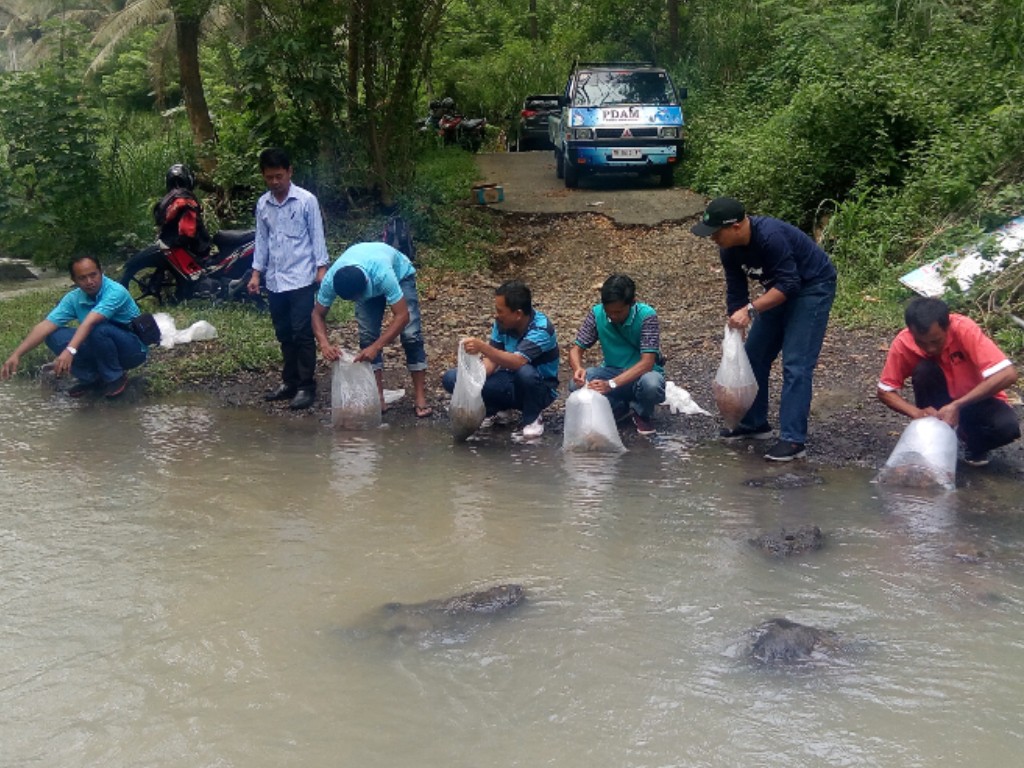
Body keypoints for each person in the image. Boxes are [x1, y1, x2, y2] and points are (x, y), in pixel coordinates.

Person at [691, 196, 837, 462]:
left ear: (736, 226)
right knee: (754, 355)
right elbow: (737, 291)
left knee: (796, 363)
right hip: (777, 290)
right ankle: (754, 424)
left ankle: (793, 440)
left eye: (715, 233)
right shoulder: (728, 250)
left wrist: (751, 310)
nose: (712, 238)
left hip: (812, 287)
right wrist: (736, 324)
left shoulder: (770, 237)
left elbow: (791, 284)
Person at [877, 296, 1020, 466]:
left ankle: (973, 444)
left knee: (1007, 427)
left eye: (936, 341)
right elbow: (885, 390)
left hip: (975, 399)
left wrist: (957, 405)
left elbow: (1008, 374)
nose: (929, 348)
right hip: (937, 406)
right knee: (924, 370)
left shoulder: (964, 329)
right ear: (911, 331)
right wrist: (916, 412)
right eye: (920, 342)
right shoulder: (903, 342)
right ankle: (933, 439)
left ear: (947, 327)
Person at [247, 147, 329, 410]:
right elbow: (262, 240)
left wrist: (321, 268)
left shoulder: (306, 201)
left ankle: (306, 385)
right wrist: (256, 273)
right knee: (283, 332)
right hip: (275, 279)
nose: (275, 182)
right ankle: (289, 381)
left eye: (279, 176)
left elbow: (317, 235)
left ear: (290, 172)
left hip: (302, 277)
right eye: (269, 177)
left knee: (302, 332)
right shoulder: (263, 203)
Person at [313, 241, 432, 417]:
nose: (356, 300)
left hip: (401, 275)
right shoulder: (331, 280)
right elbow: (317, 315)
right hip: (364, 271)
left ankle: (420, 398)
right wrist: (324, 344)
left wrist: (377, 347)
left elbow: (402, 316)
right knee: (367, 337)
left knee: (411, 335)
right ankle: (378, 399)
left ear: (366, 283)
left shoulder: (382, 274)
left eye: (358, 297)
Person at [1, 255, 147, 398]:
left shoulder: (116, 291)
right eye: (82, 278)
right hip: (101, 345)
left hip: (132, 350)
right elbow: (45, 326)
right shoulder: (73, 298)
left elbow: (90, 322)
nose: (90, 281)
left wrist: (70, 351)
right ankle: (91, 378)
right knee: (53, 335)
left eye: (93, 275)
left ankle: (115, 377)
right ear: (74, 280)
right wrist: (17, 354)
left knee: (99, 328)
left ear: (101, 272)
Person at [441, 280, 559, 438]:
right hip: (509, 380)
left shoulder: (541, 328)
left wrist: (482, 347)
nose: (496, 315)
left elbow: (517, 362)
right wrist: (475, 377)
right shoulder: (502, 323)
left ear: (517, 314)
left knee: (525, 372)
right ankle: (495, 409)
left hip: (540, 387)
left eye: (500, 311)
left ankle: (532, 416)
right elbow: (493, 360)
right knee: (452, 379)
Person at [568, 273, 666, 435]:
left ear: (632, 302)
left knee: (652, 385)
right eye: (609, 312)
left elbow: (647, 362)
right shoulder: (597, 313)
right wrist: (578, 369)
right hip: (611, 370)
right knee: (575, 385)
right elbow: (576, 349)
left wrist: (611, 384)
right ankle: (617, 406)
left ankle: (641, 412)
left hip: (641, 374)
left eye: (618, 312)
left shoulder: (647, 316)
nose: (613, 317)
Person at [152, 163, 211, 259]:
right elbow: (187, 231)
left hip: (170, 248)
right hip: (191, 251)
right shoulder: (187, 200)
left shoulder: (167, 201)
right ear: (189, 180)